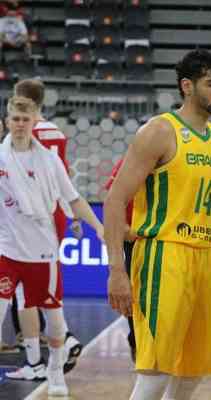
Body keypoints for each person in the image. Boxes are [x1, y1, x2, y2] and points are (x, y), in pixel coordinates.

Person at [104, 49, 211, 400]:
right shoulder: (160, 131)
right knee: (156, 372)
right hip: (164, 258)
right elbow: (115, 200)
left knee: (193, 372)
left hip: (205, 259)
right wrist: (117, 270)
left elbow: (206, 215)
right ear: (187, 86)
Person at [0, 96, 104, 396]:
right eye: (15, 119)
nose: (19, 125)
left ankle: (55, 371)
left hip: (42, 252)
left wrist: (97, 226)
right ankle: (35, 363)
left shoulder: (48, 160)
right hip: (7, 251)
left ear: (35, 121)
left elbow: (73, 199)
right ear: (7, 120)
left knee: (56, 324)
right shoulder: (2, 157)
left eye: (25, 119)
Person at [5, 78, 84, 380]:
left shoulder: (22, 133)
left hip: (29, 216)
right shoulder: (57, 132)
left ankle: (47, 354)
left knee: (26, 292)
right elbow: (61, 179)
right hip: (54, 212)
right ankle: (51, 351)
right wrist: (71, 214)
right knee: (42, 291)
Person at [104, 157, 137, 362]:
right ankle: (136, 342)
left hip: (167, 241)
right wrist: (126, 229)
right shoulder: (130, 160)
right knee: (134, 301)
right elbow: (112, 199)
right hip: (136, 240)